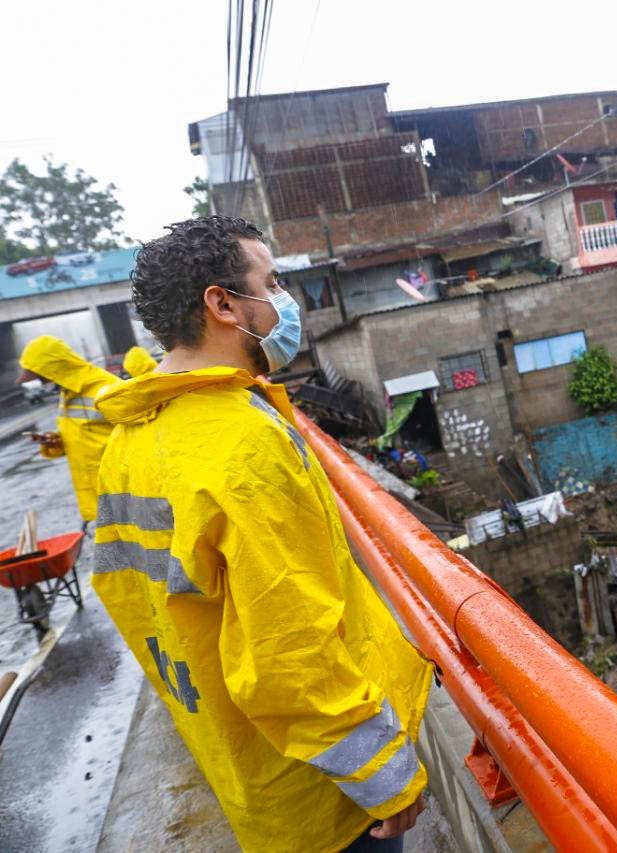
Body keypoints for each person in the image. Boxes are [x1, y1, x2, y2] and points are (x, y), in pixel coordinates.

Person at [92, 216, 433, 852]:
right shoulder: (243, 447)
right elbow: (288, 651)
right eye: (271, 283)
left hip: (248, 769)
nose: (285, 300)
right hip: (327, 794)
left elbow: (130, 597)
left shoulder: (131, 438)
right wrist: (382, 776)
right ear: (222, 304)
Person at [17, 336, 119, 527]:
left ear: (55, 369)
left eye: (42, 376)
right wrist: (56, 441)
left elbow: (141, 434)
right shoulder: (67, 392)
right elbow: (83, 434)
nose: (43, 382)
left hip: (120, 489)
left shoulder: (105, 387)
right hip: (97, 493)